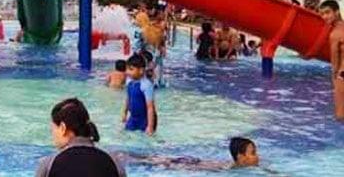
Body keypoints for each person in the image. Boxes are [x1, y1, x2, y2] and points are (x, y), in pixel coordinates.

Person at [36, 98, 126, 177]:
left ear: (63, 128)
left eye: (53, 129)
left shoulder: (49, 164)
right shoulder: (114, 162)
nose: (53, 135)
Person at [116, 137, 259, 171]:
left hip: (191, 161)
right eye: (253, 153)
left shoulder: (233, 166)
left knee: (152, 159)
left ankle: (125, 155)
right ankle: (122, 156)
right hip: (188, 163)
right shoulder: (230, 168)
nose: (257, 156)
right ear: (240, 157)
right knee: (151, 161)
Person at [319, 0, 344, 120]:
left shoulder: (335, 34)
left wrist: (334, 78)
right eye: (322, 14)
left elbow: (335, 61)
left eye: (327, 12)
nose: (325, 16)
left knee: (340, 116)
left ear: (337, 12)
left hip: (342, 76)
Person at [123, 54, 157, 136]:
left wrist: (150, 126)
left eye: (131, 69)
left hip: (144, 119)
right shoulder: (129, 82)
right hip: (133, 118)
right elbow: (128, 98)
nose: (127, 72)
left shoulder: (146, 84)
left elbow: (150, 107)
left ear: (141, 70)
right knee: (125, 135)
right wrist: (124, 113)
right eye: (127, 69)